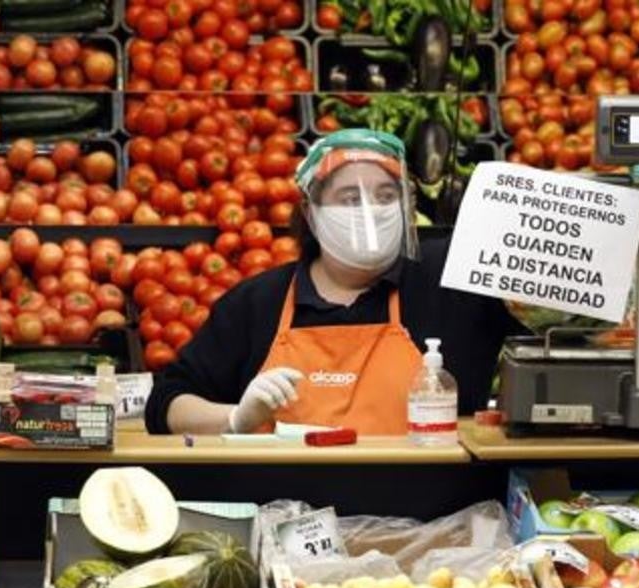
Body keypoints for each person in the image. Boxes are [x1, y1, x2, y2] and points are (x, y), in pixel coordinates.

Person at [146, 129, 521, 435]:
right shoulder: (257, 302)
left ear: (406, 206)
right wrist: (235, 419)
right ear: (310, 213)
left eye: (386, 195)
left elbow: (542, 311)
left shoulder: (452, 281)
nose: (370, 210)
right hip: (288, 518)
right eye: (348, 198)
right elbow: (167, 404)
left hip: (438, 523)